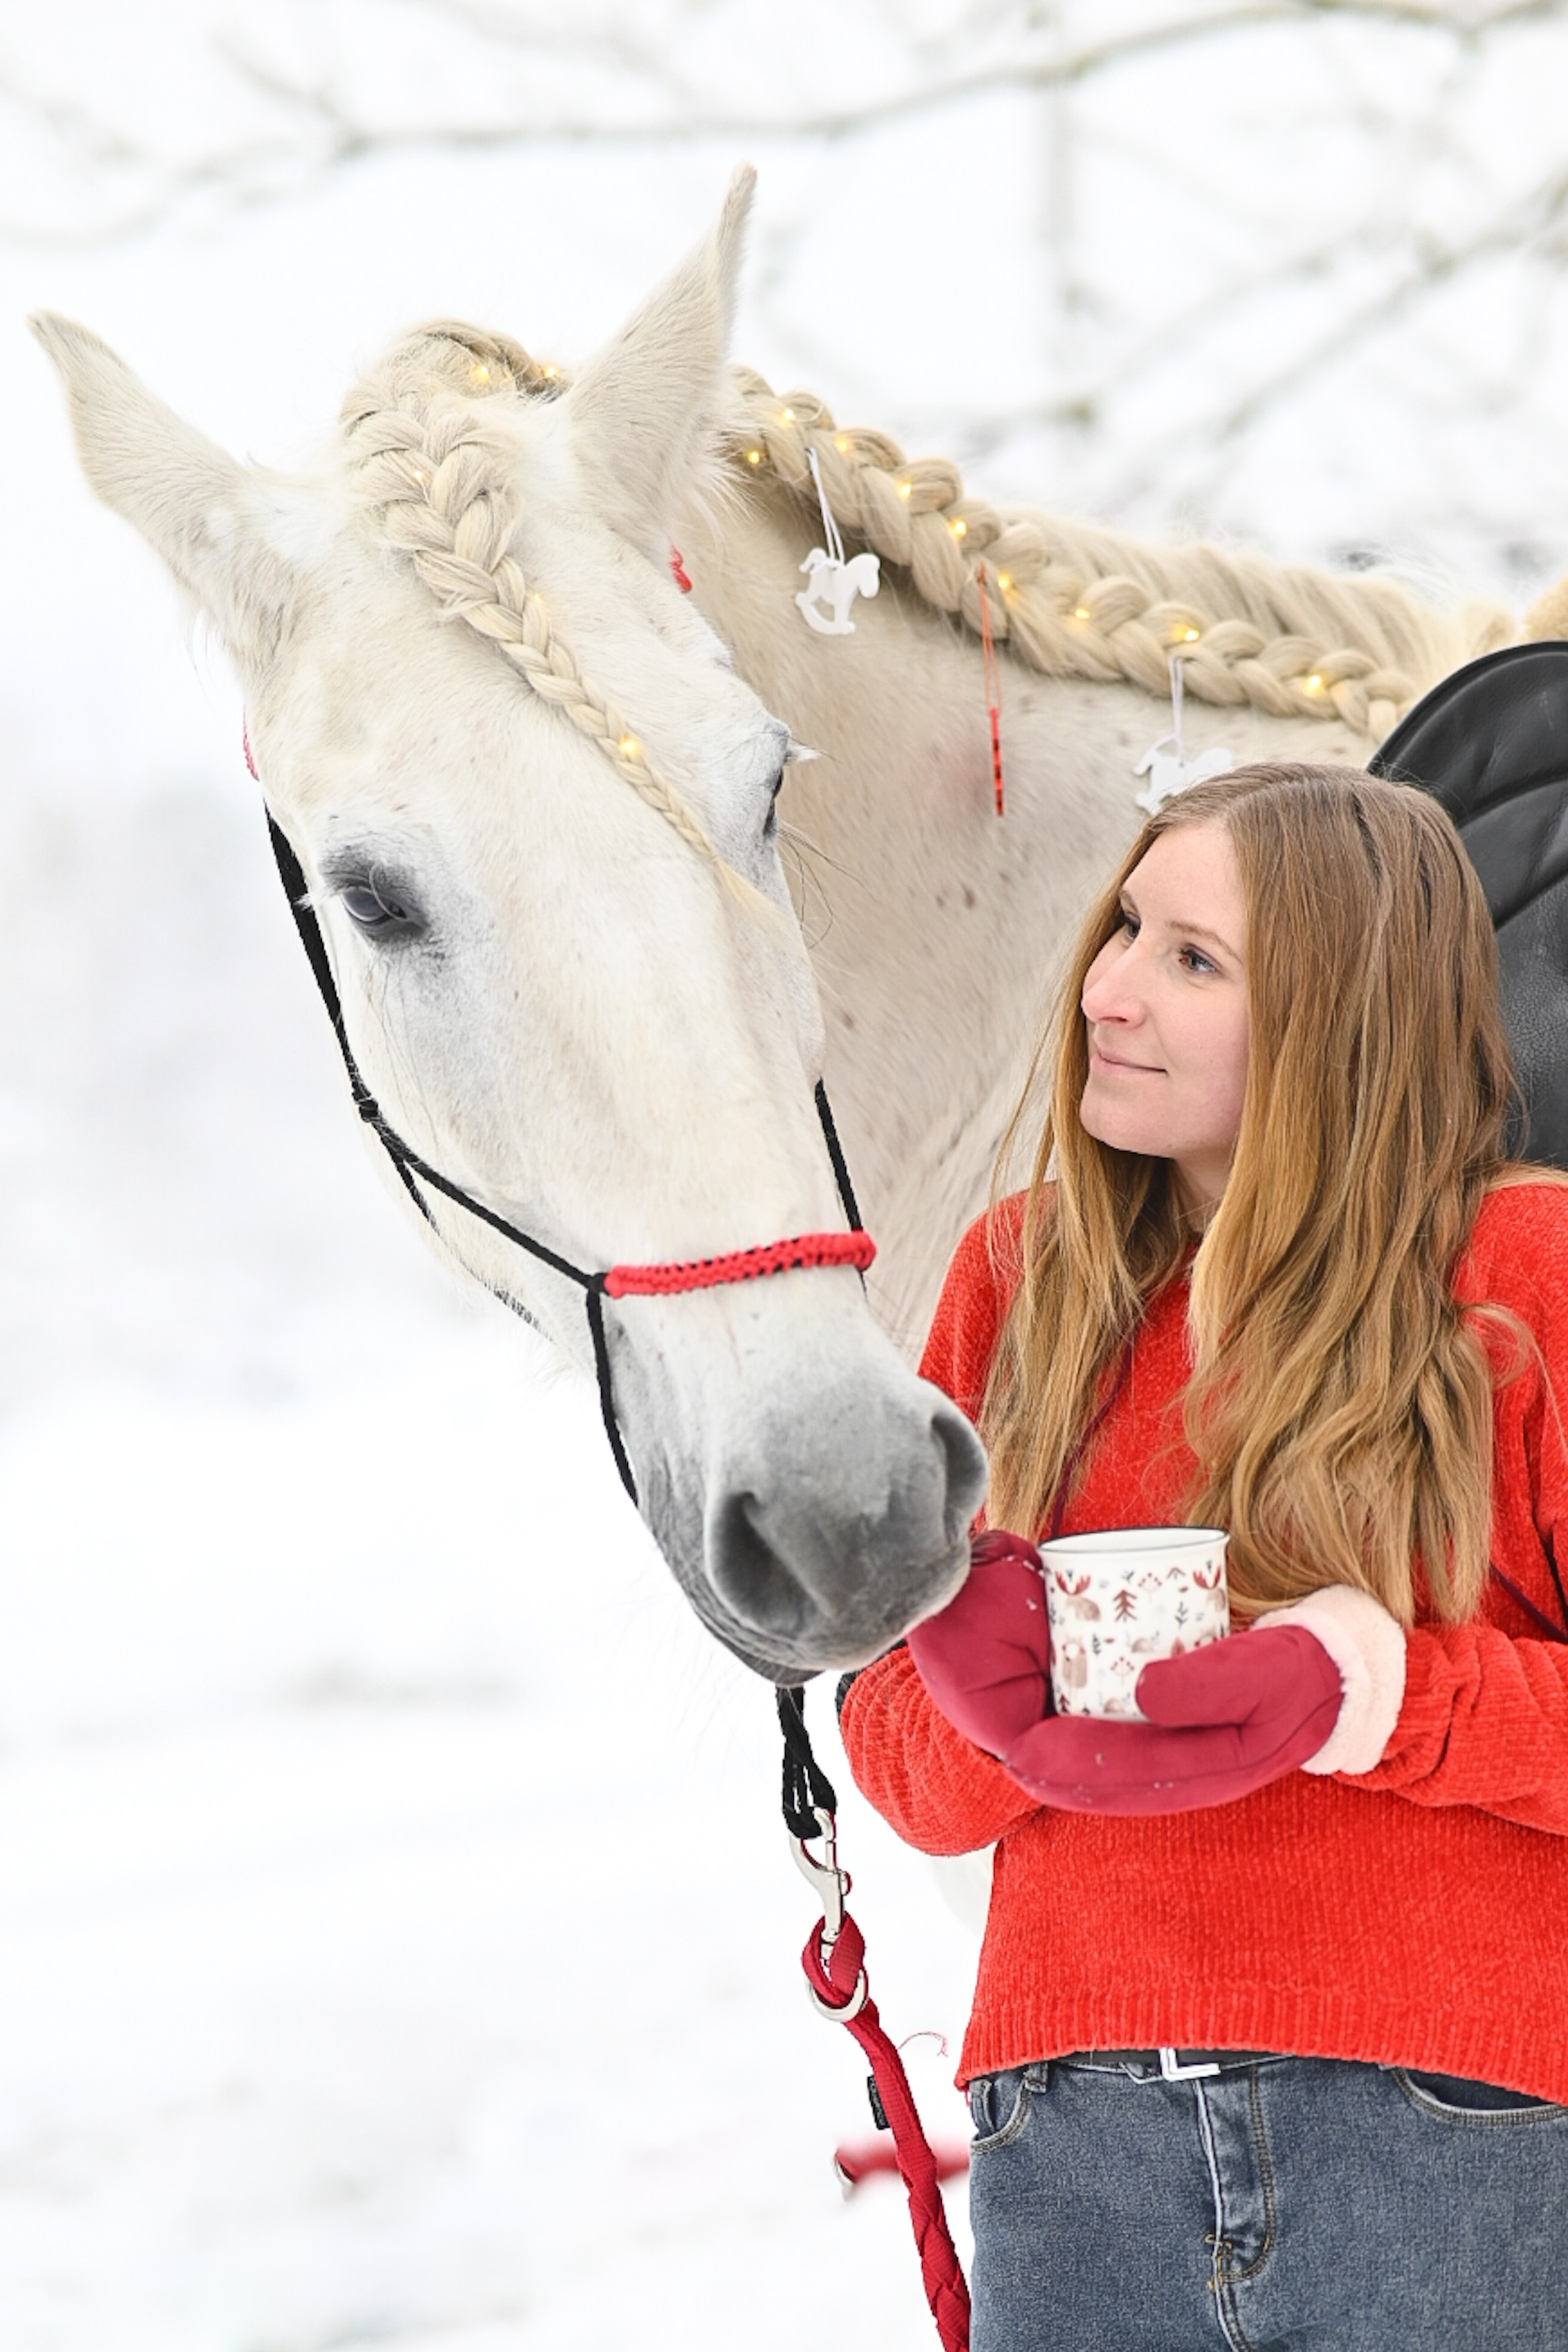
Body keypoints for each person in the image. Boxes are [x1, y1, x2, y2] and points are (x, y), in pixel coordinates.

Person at [837, 763, 1568, 2352]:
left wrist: (1374, 1690)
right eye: (1124, 928)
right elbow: (896, 1748)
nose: (1108, 990)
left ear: (1340, 1015)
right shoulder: (1020, 1277)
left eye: (1193, 959)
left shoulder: (1524, 1269)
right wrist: (992, 1703)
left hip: (1442, 2120)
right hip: (1069, 2134)